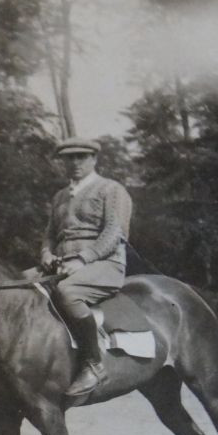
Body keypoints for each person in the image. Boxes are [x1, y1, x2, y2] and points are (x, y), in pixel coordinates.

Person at [39, 137, 134, 399]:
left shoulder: (111, 190)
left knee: (68, 293)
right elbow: (49, 234)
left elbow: (115, 232)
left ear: (94, 159)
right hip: (61, 266)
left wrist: (83, 259)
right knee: (20, 286)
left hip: (104, 264)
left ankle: (94, 363)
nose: (75, 162)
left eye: (82, 156)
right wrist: (46, 253)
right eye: (69, 158)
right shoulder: (60, 196)